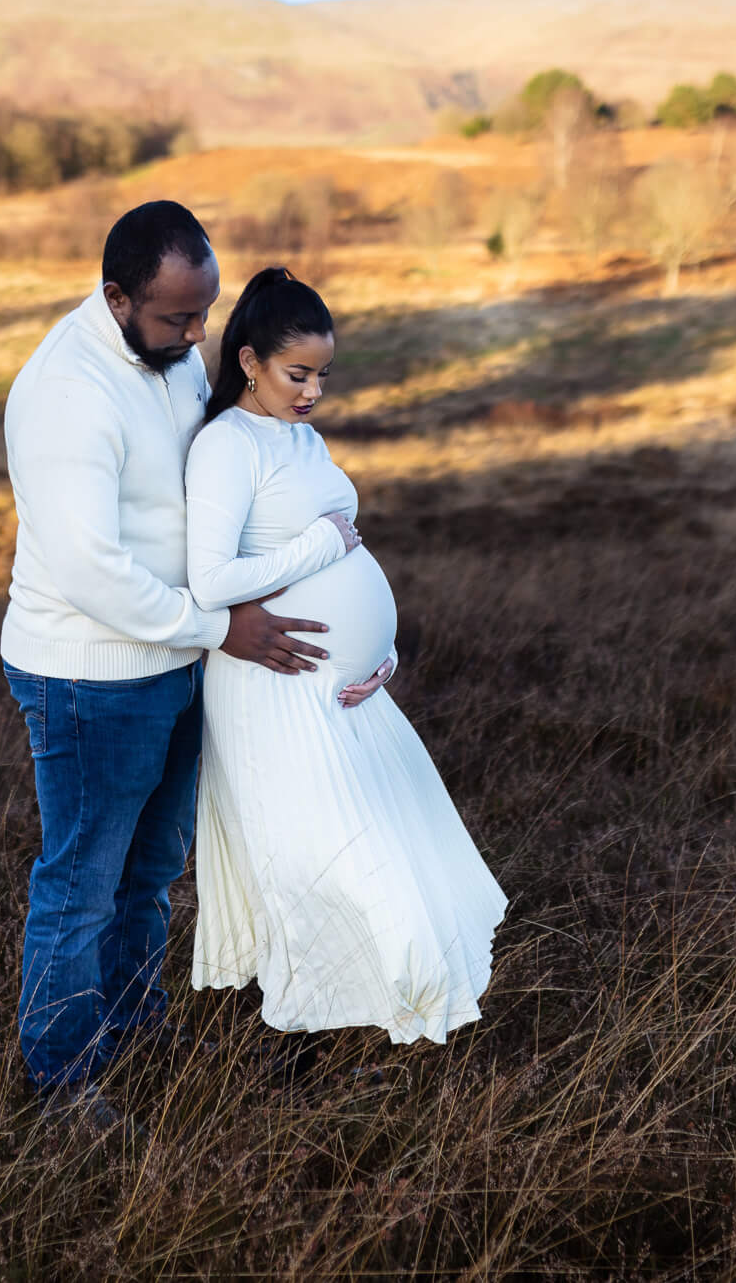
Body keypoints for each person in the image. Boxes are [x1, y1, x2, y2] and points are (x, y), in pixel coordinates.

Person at [0, 203, 330, 1105]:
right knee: (81, 885)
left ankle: (136, 1030)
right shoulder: (68, 393)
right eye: (176, 318)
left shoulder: (174, 359)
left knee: (150, 873)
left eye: (205, 315)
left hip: (174, 661)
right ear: (115, 298)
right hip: (88, 675)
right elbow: (91, 571)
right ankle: (65, 1083)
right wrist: (222, 628)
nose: (197, 337)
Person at [187, 267, 506, 1045]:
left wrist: (383, 647)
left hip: (346, 693)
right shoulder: (227, 445)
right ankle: (290, 1049)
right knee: (326, 866)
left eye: (323, 375)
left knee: (391, 852)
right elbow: (211, 580)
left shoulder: (302, 437)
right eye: (298, 374)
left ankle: (345, 1041)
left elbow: (346, 565)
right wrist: (317, 544)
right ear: (252, 360)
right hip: (274, 685)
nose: (313, 392)